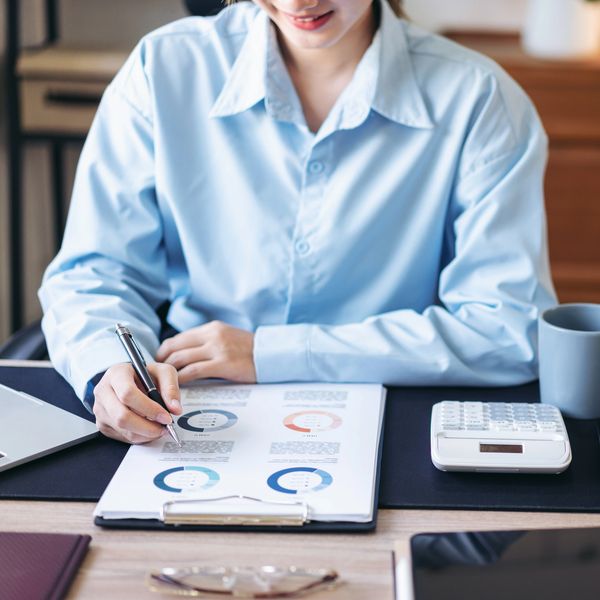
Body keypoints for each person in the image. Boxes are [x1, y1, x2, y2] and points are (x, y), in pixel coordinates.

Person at [39, 0, 556, 444]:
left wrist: (270, 353)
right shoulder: (165, 68)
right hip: (192, 409)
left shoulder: (480, 99)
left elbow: (507, 327)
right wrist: (107, 366)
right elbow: (96, 273)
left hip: (397, 417)